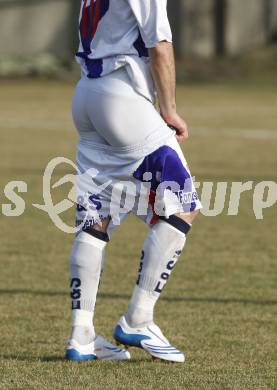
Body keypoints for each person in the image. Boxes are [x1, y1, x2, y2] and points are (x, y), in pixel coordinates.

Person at [66, 0, 201, 363]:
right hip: (121, 97)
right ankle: (138, 318)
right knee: (183, 205)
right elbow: (160, 46)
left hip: (87, 95)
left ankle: (81, 336)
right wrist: (168, 108)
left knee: (95, 220)